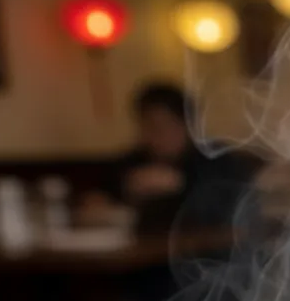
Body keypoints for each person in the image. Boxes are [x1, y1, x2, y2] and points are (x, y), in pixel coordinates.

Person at [86, 82, 257, 232]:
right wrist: (99, 201)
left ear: (188, 126)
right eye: (146, 127)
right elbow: (103, 195)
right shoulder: (135, 160)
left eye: (161, 126)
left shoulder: (215, 158)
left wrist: (180, 184)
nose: (152, 136)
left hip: (205, 255)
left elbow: (233, 210)